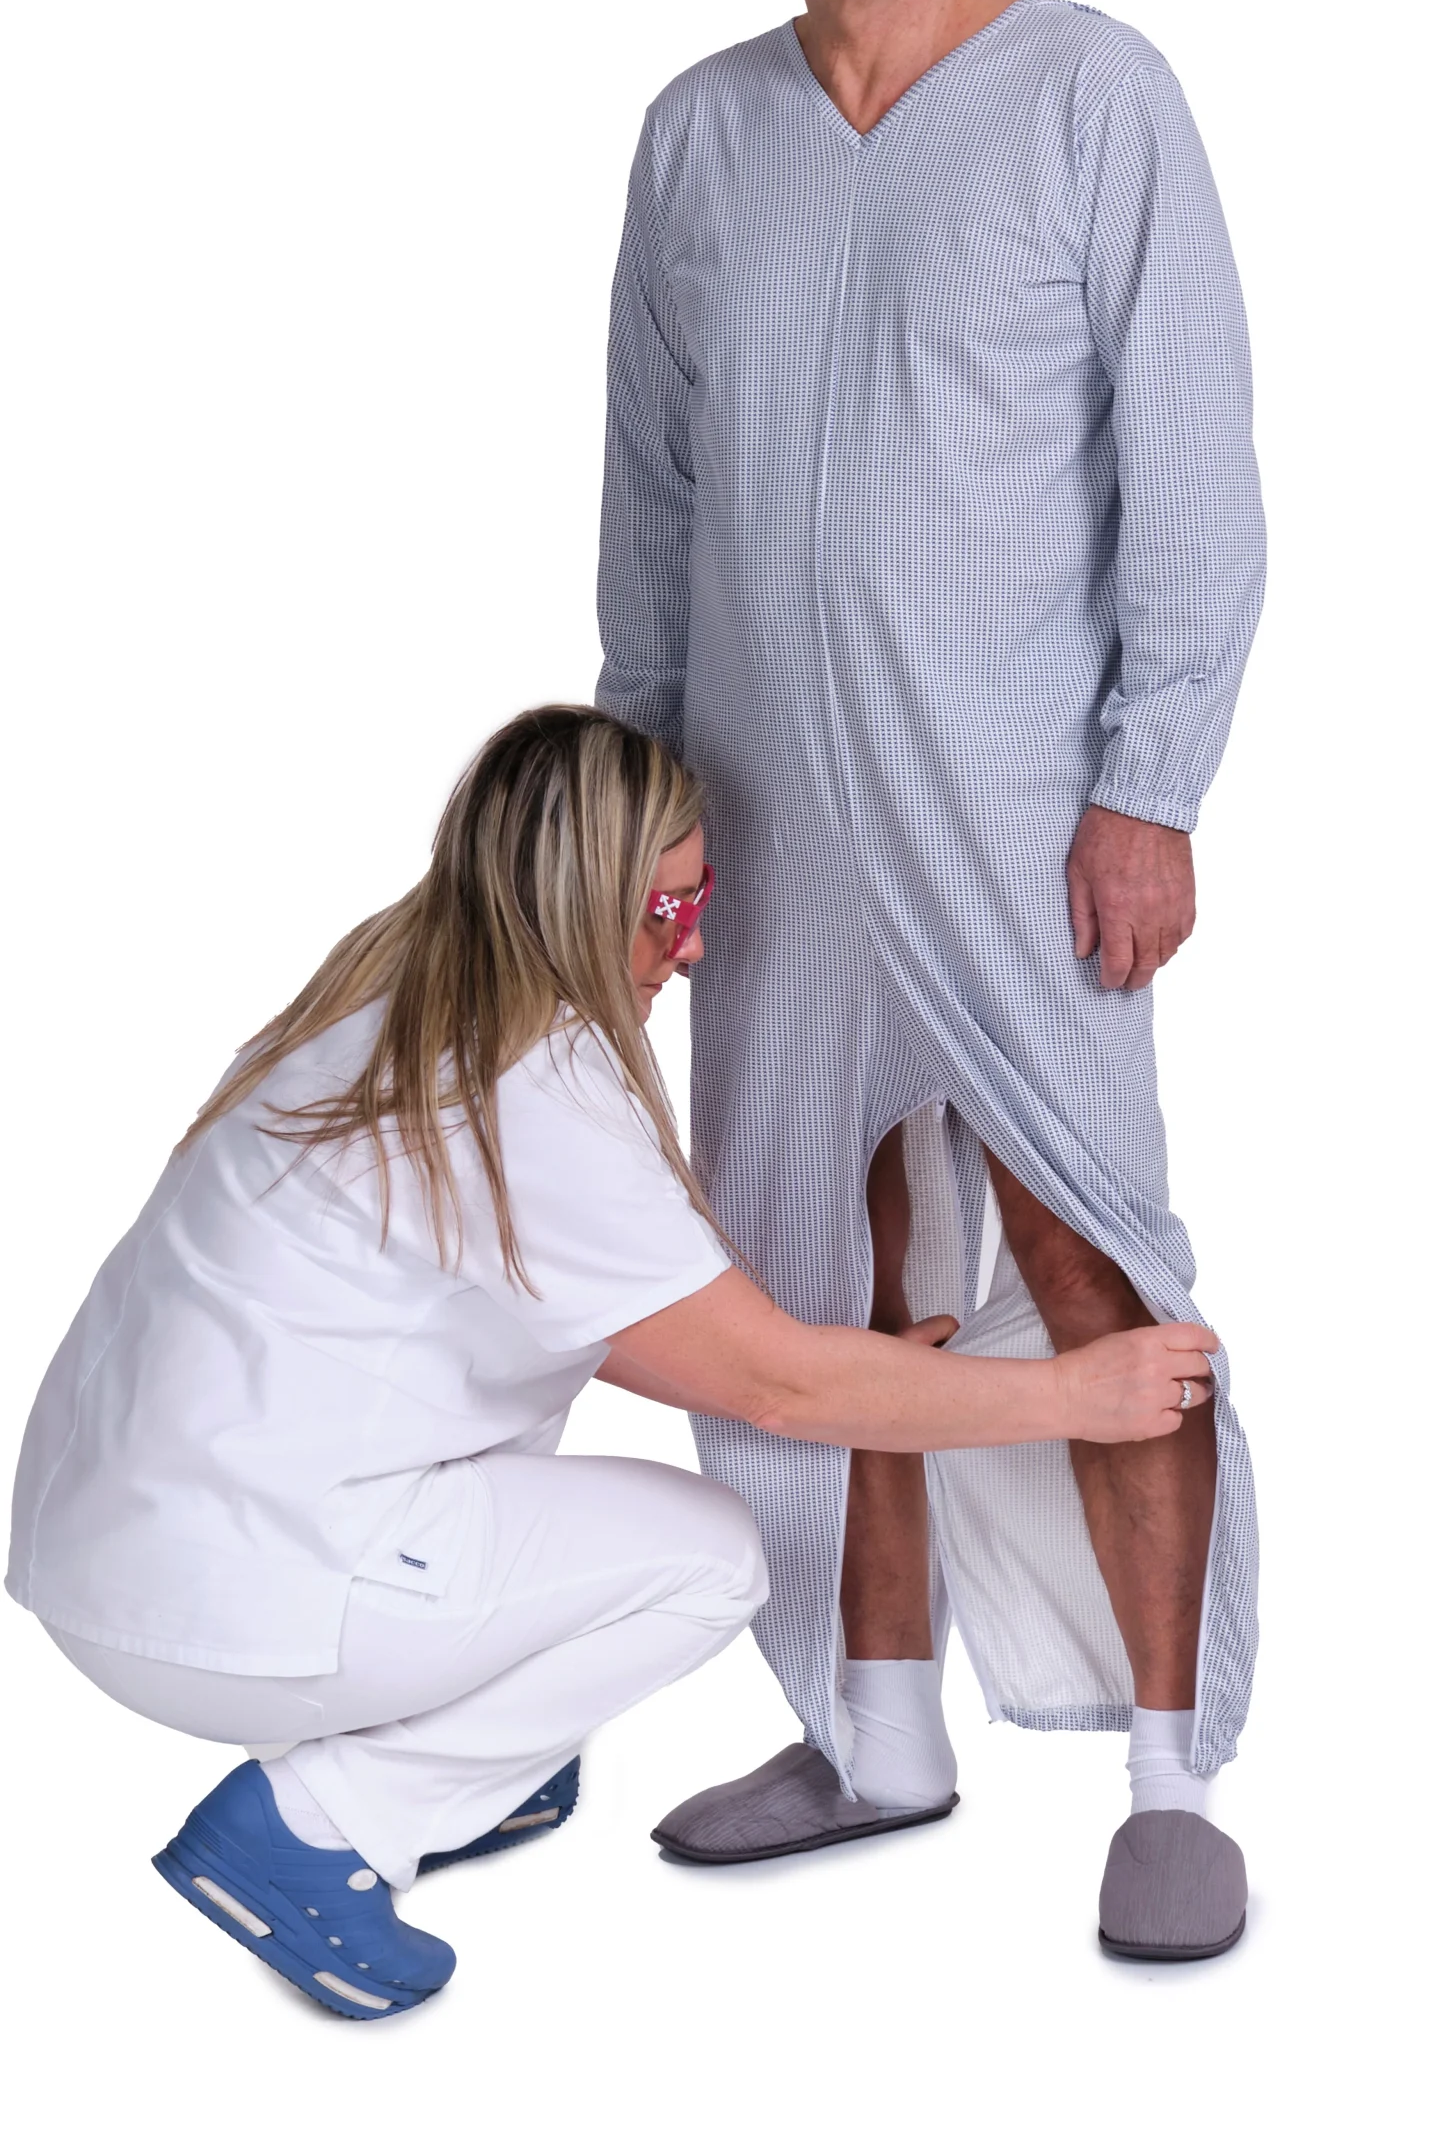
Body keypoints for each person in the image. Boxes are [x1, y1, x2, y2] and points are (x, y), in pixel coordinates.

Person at [7, 705, 1215, 2016]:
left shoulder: (385, 993)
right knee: (708, 1561)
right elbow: (772, 1387)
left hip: (109, 1552)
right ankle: (317, 1827)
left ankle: (474, 1771)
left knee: (576, 1511)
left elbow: (631, 1324)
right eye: (664, 912)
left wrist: (847, 1369)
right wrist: (1068, 1394)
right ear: (575, 898)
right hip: (236, 1602)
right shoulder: (536, 1084)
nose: (690, 950)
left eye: (702, 902)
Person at [596, 0, 1265, 1959]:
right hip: (769, 822)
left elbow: (1191, 469)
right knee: (821, 1276)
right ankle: (872, 1723)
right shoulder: (699, 135)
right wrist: (642, 790)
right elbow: (653, 497)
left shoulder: (1089, 92)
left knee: (1088, 1259)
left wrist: (1150, 781)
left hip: (1015, 816)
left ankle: (1173, 1774)